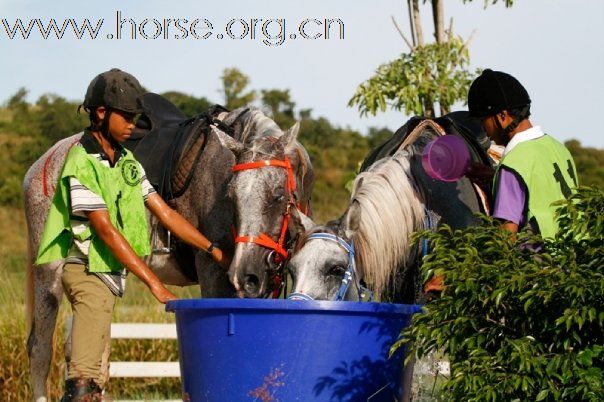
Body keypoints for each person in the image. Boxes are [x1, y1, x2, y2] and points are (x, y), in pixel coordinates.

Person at [35, 68, 230, 400]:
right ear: (100, 113)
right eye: (125, 117)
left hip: (106, 275)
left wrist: (211, 248)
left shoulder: (126, 162)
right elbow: (107, 232)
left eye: (135, 117)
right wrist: (155, 283)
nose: (132, 125)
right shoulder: (80, 163)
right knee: (83, 384)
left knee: (93, 383)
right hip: (88, 273)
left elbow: (165, 213)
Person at [466, 69, 579, 238]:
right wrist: (496, 176)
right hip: (578, 258)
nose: (484, 129)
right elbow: (543, 184)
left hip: (542, 262)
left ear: (502, 116)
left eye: (484, 121)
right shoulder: (559, 149)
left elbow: (506, 240)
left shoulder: (513, 165)